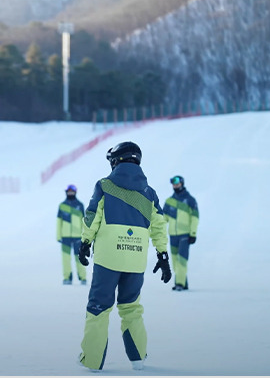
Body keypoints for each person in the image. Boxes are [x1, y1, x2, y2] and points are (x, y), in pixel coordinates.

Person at [77, 141, 171, 371]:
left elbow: (92, 216)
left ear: (116, 161)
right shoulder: (150, 193)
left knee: (99, 307)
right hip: (136, 258)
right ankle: (138, 359)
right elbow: (159, 226)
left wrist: (85, 242)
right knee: (131, 308)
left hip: (108, 258)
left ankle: (92, 361)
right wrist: (163, 255)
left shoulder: (104, 185)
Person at [162, 175, 199, 291]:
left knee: (181, 260)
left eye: (177, 184)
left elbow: (195, 218)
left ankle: (179, 284)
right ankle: (183, 282)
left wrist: (193, 233)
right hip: (173, 235)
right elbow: (163, 218)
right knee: (174, 262)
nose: (175, 186)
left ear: (182, 184)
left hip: (185, 235)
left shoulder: (190, 200)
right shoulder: (169, 201)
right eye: (173, 184)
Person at [57, 184, 87, 285]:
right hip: (65, 237)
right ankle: (67, 278)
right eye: (69, 191)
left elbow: (84, 221)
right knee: (65, 259)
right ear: (66, 192)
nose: (70, 193)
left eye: (72, 192)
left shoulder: (80, 205)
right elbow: (59, 221)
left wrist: (85, 236)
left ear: (75, 192)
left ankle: (83, 277)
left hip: (78, 236)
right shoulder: (62, 206)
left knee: (79, 258)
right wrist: (58, 235)